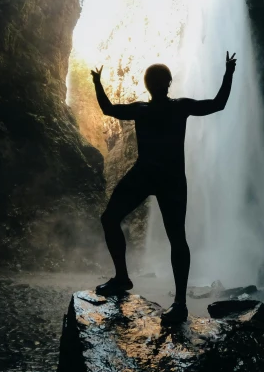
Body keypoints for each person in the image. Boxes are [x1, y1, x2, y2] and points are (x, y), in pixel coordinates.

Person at [90, 51, 237, 324]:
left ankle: (138, 284)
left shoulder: (144, 109)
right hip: (166, 176)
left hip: (149, 174)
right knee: (174, 237)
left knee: (115, 219)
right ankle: (170, 298)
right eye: (157, 80)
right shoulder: (177, 107)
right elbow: (218, 104)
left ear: (156, 84)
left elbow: (108, 108)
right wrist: (228, 73)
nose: (158, 84)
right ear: (167, 83)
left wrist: (98, 82)